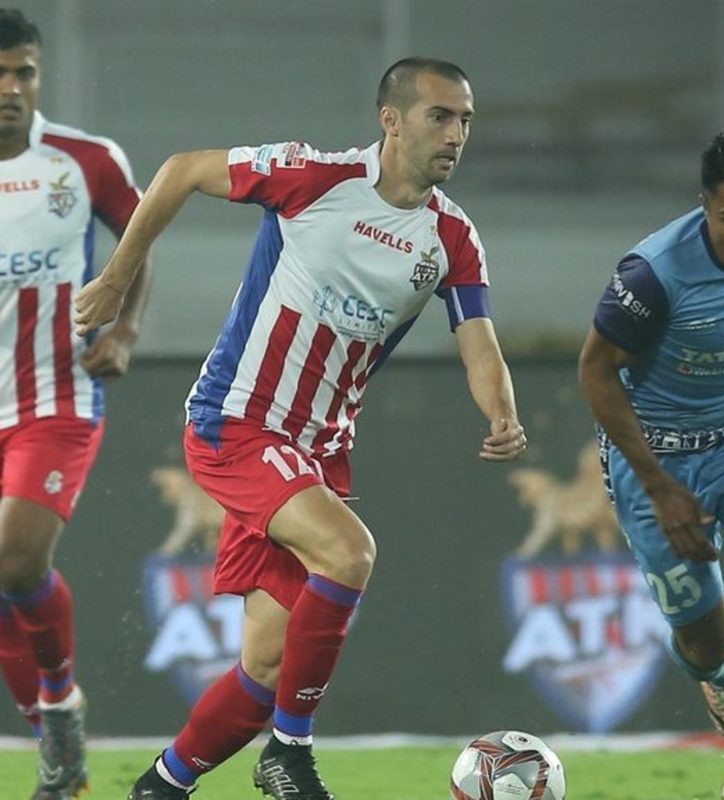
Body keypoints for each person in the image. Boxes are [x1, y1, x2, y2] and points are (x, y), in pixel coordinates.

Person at [74, 57, 526, 799]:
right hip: (238, 421)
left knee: (267, 670)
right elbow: (182, 169)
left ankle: (159, 788)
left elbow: (479, 341)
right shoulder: (314, 177)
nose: (456, 134)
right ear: (391, 120)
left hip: (317, 453)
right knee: (349, 554)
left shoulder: (452, 236)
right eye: (440, 116)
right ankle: (291, 752)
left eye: (466, 121)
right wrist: (118, 279)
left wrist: (502, 410)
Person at [579, 127, 724, 800]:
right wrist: (659, 487)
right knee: (704, 641)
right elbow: (595, 373)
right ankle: (722, 678)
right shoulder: (654, 274)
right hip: (659, 459)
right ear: (704, 206)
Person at [0, 8, 153, 799]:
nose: (11, 88)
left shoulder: (83, 161)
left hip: (54, 395)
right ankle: (56, 743)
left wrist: (124, 329)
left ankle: (59, 700)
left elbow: (138, 236)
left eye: (23, 72)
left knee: (17, 560)